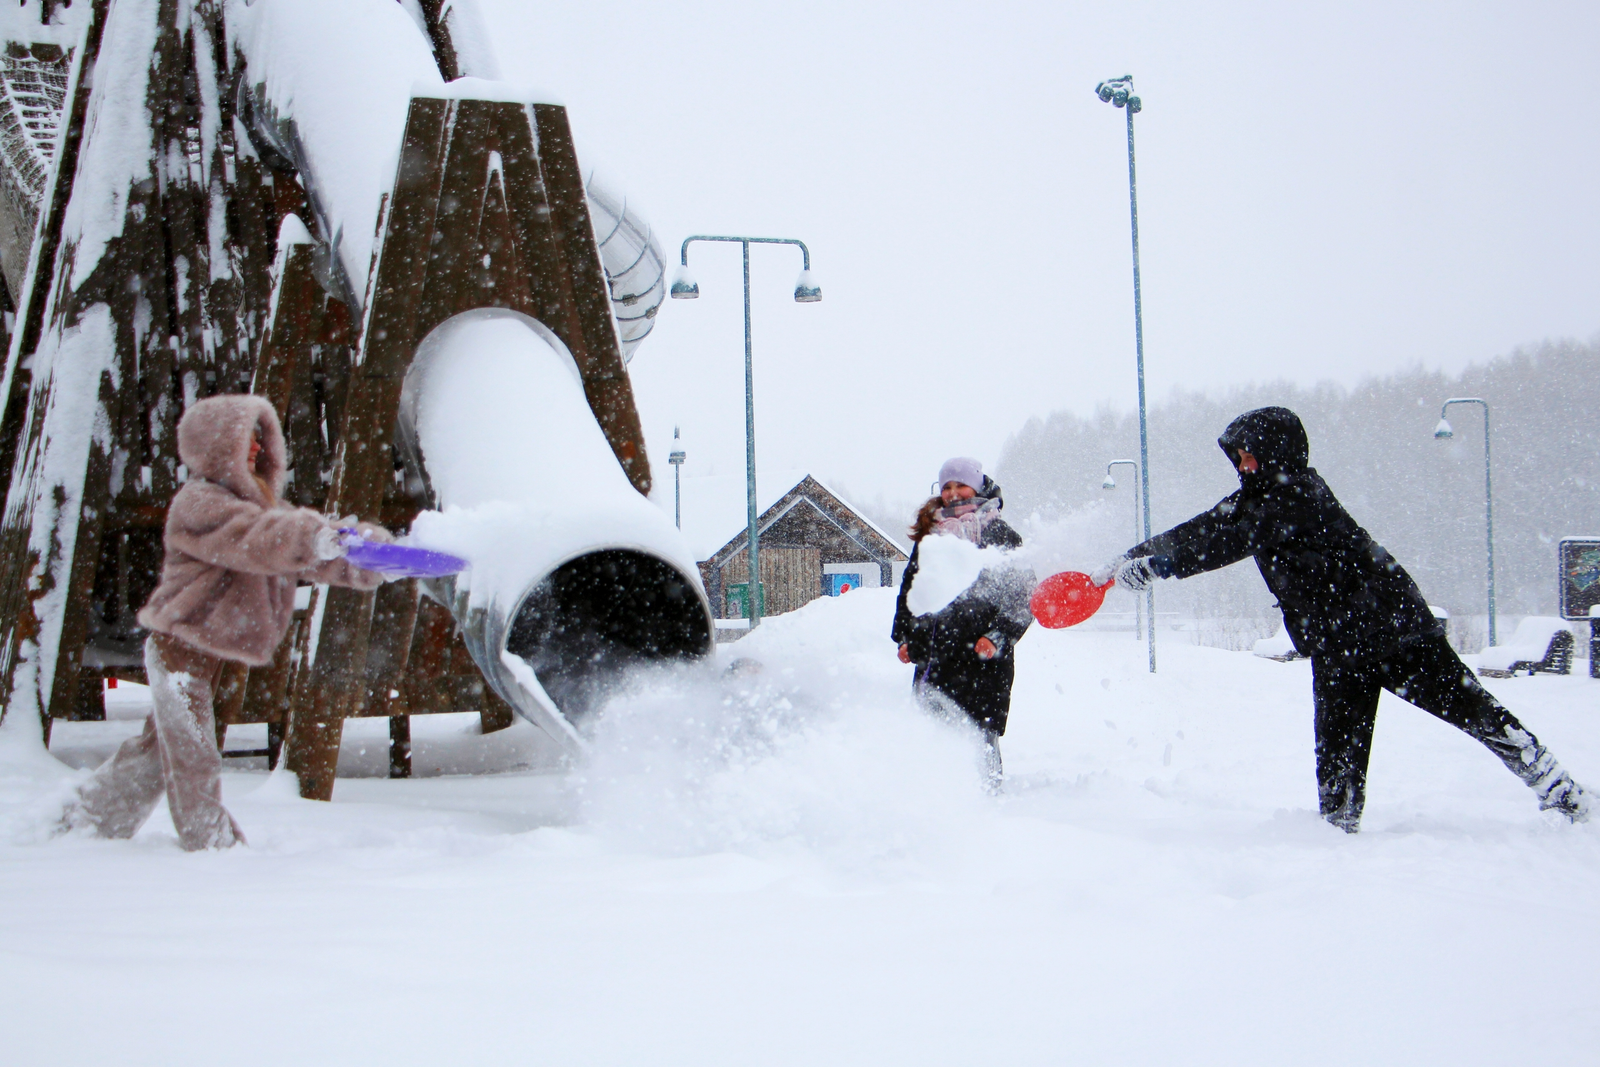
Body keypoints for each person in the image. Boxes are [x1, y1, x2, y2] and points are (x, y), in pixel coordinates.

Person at [1091, 406, 1590, 832]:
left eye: (1249, 453)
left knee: (1473, 711)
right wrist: (1127, 559)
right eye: (1236, 455)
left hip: (1394, 631)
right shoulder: (1257, 497)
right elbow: (1202, 527)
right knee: (1337, 753)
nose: (1241, 464)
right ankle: (1338, 835)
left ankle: (1558, 790)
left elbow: (1226, 542)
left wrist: (1158, 569)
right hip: (1339, 646)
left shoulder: (1296, 493)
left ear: (1277, 451)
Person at [59, 394, 390, 850]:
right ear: (215, 446)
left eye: (259, 438)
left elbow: (296, 553)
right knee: (193, 754)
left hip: (203, 651)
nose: (255, 447)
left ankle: (83, 820)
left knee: (156, 755)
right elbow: (258, 541)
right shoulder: (198, 504)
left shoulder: (258, 506)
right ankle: (212, 845)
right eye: (243, 439)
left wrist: (363, 558)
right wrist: (314, 537)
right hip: (178, 649)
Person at [892, 457, 1034, 789]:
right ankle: (935, 796)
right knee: (931, 730)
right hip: (934, 655)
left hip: (982, 661)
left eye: (961, 485)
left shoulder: (1000, 534)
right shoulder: (932, 537)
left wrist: (998, 636)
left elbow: (1023, 595)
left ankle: (987, 797)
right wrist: (905, 636)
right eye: (946, 487)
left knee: (978, 732)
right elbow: (911, 589)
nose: (953, 493)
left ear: (978, 486)